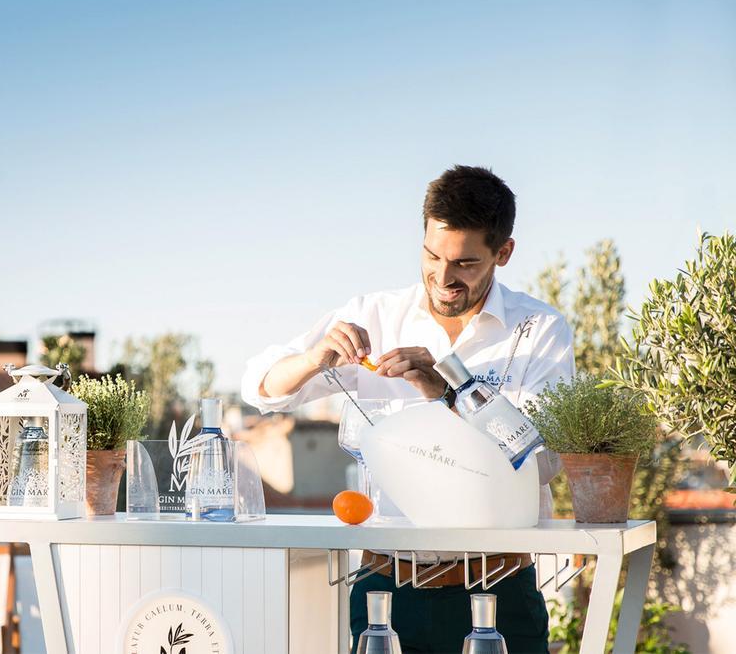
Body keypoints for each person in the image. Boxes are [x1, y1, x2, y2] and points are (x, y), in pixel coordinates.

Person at [241, 165, 573, 653]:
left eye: (465, 263)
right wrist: (313, 359)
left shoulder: (540, 330)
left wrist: (447, 391)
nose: (443, 278)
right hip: (383, 594)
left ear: (503, 253)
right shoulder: (375, 314)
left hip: (498, 592)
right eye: (432, 255)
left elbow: (542, 462)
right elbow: (262, 388)